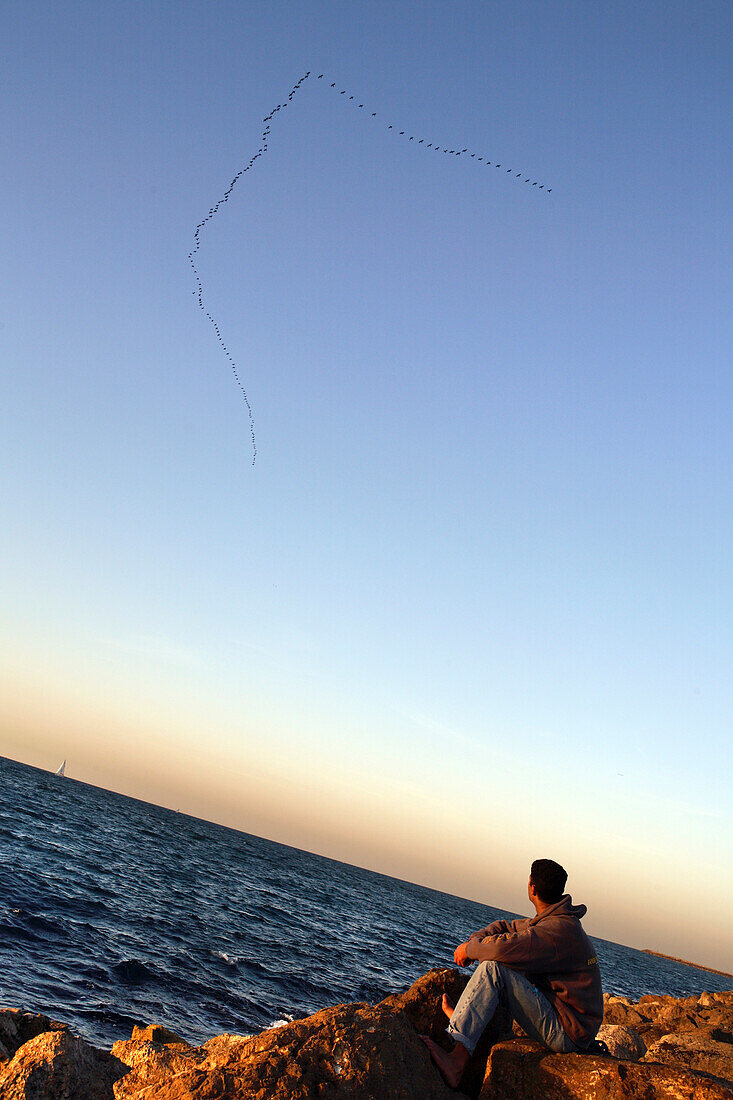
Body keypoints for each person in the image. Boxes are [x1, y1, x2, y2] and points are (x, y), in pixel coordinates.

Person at [422, 859, 603, 1089]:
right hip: (568, 1021)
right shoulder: (556, 922)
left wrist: (468, 949)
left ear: (532, 887)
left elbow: (500, 949)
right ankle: (465, 1021)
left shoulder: (557, 931)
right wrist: (475, 941)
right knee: (508, 963)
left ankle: (456, 1063)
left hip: (569, 1033)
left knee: (494, 969)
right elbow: (505, 927)